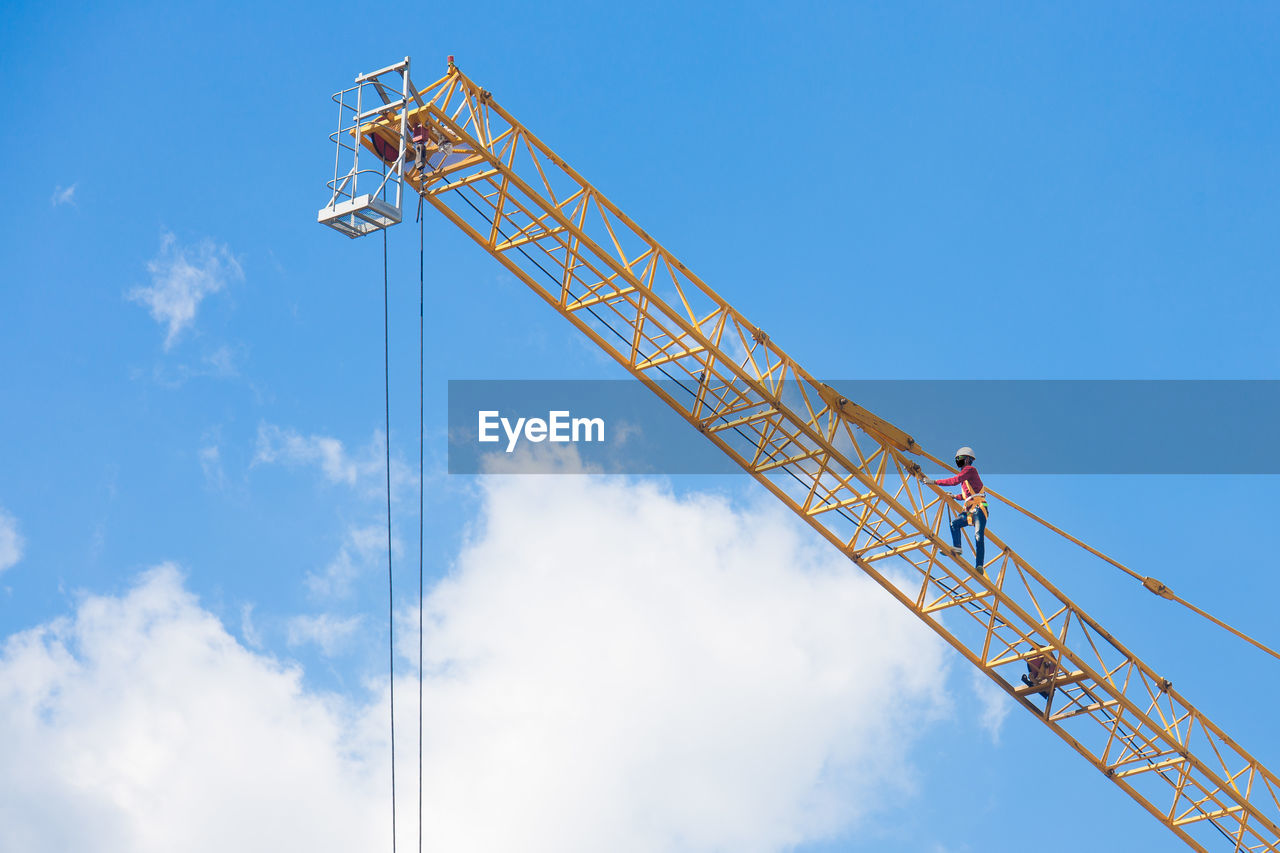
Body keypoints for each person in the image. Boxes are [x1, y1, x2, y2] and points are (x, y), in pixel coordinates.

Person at [922, 446, 989, 573]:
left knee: (978, 535)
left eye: (961, 458)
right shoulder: (966, 479)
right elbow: (966, 496)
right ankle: (957, 547)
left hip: (980, 509)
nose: (958, 460)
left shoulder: (970, 470)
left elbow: (954, 481)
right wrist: (954, 496)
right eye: (957, 459)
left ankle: (979, 565)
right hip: (970, 509)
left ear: (968, 459)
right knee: (954, 524)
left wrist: (934, 482)